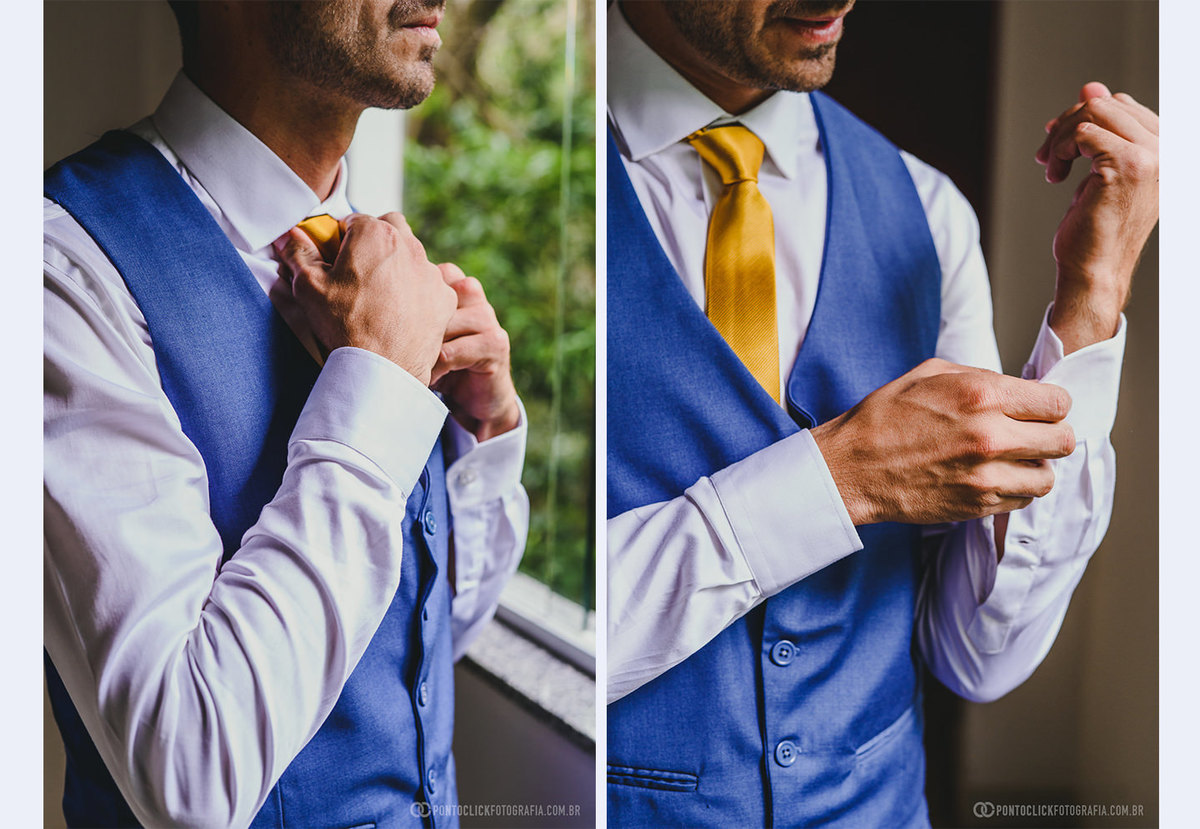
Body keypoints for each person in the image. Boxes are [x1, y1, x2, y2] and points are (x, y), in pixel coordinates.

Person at [605, 0, 1157, 825]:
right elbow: (493, 625)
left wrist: (1091, 299)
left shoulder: (929, 213)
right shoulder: (539, 187)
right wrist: (838, 479)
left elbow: (978, 654)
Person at [43, 1, 530, 826]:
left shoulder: (384, 263)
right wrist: (376, 380)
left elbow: (413, 650)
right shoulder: (61, 273)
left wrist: (481, 439)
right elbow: (189, 777)